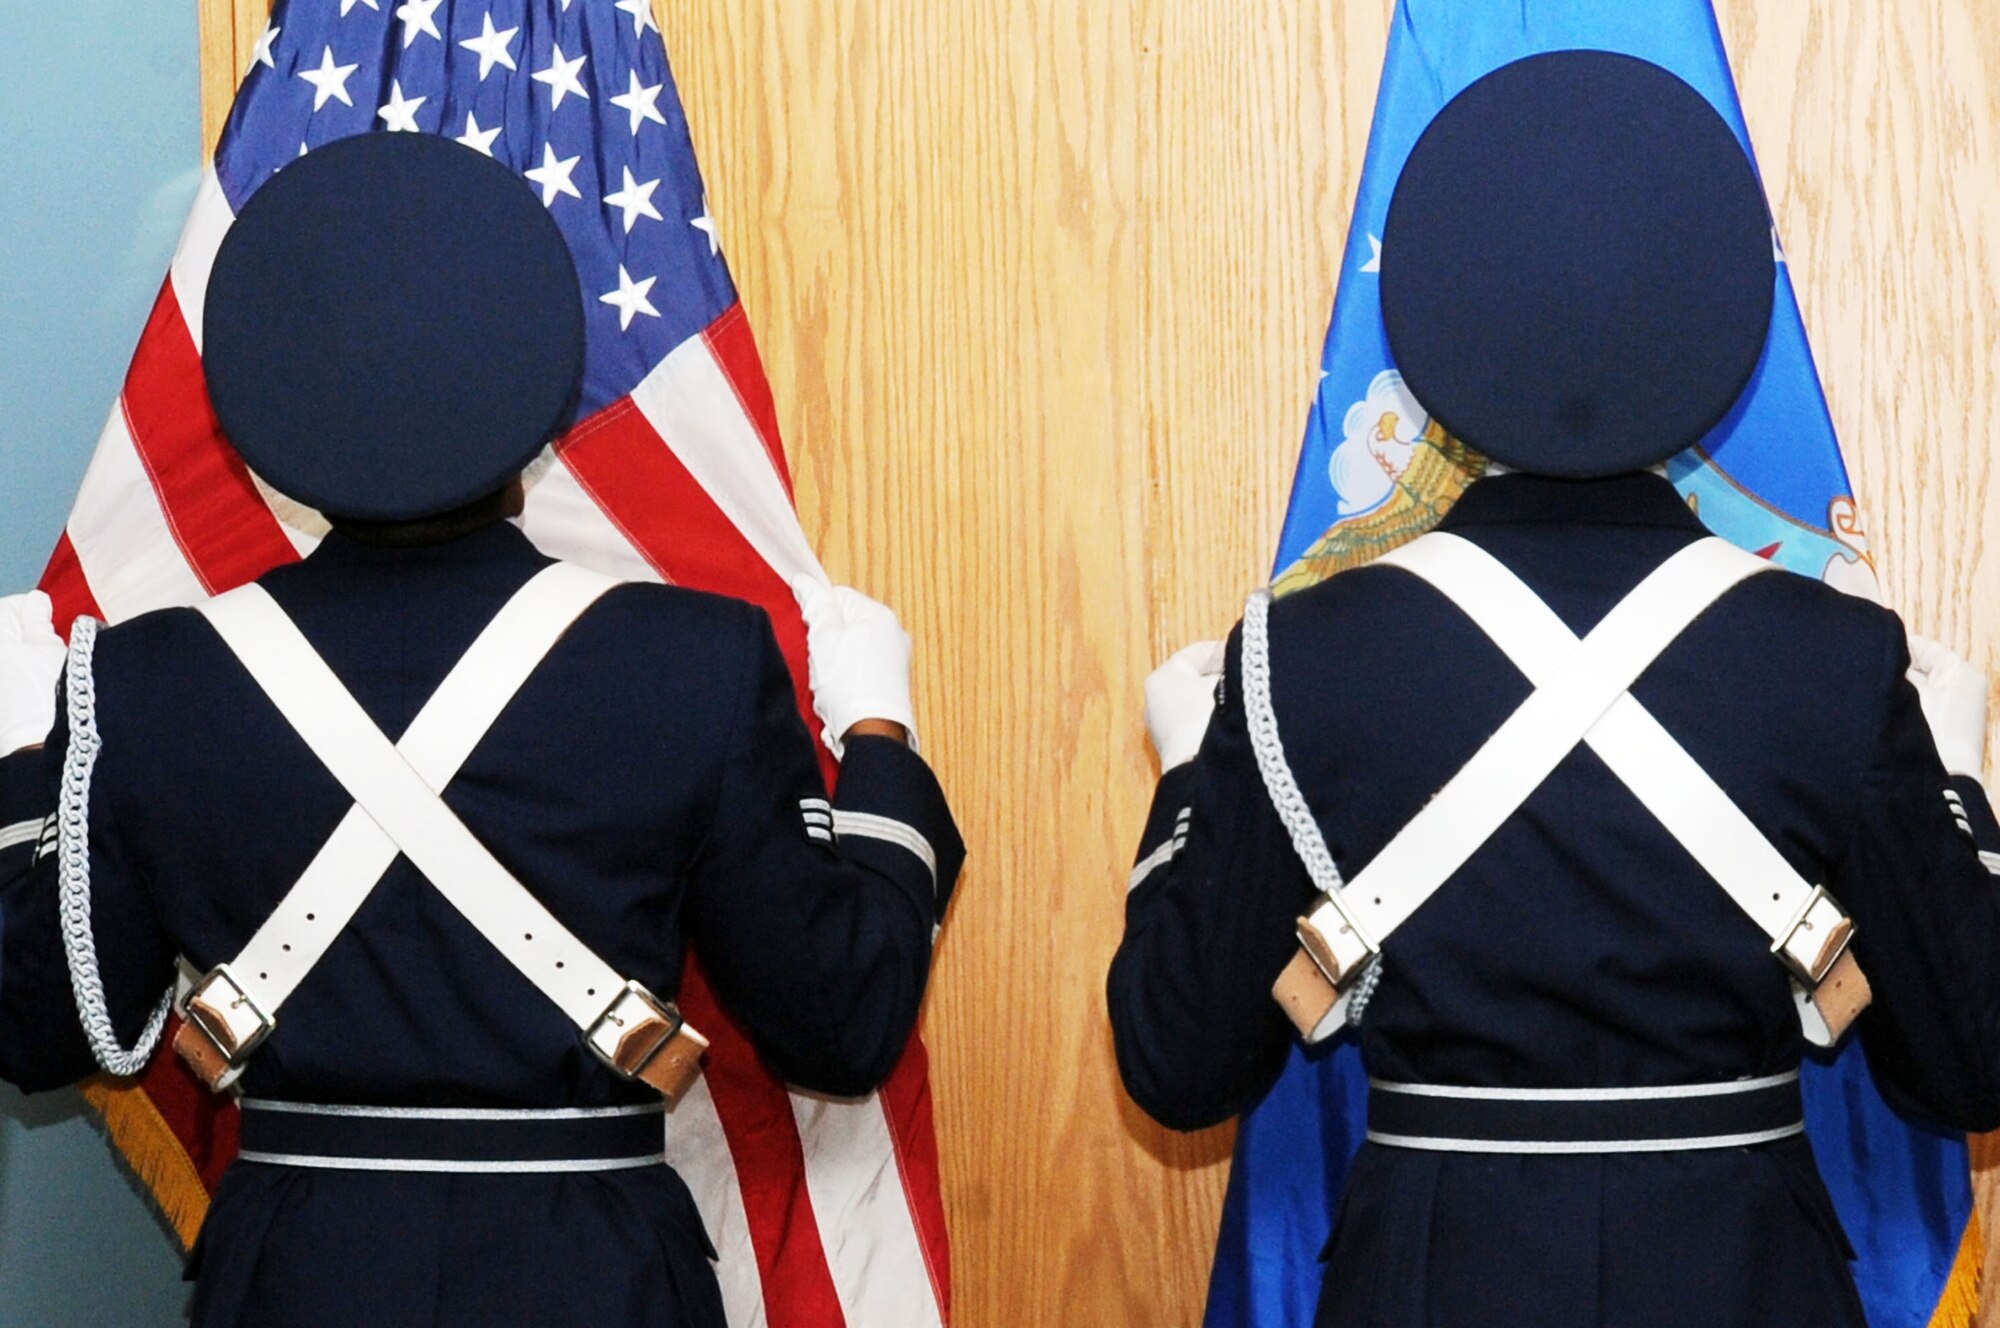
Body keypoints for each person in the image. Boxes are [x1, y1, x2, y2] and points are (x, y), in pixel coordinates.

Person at [0, 132, 962, 1328]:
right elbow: (841, 1018)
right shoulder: (695, 663)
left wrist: (23, 771)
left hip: (297, 1279)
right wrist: (875, 730)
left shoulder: (152, 681)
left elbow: (46, 1025)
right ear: (532, 390)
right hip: (595, 1279)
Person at [1108, 51, 2000, 1327]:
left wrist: (1196, 770)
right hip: (1742, 1272)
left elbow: (1181, 1060)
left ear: (1436, 317)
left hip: (1428, 1272)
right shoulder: (1833, 659)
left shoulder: (1296, 657)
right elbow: (1966, 1061)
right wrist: (1959, 788)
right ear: (1704, 317)